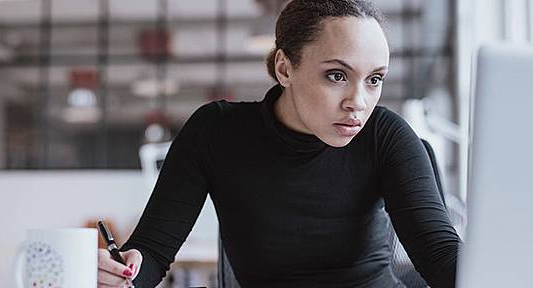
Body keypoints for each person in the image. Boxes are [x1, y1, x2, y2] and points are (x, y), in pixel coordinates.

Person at [97, 0, 462, 287]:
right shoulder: (216, 133)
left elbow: (441, 257)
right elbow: (152, 254)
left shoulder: (387, 135)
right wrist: (122, 275)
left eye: (374, 79)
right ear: (285, 69)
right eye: (337, 75)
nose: (359, 102)